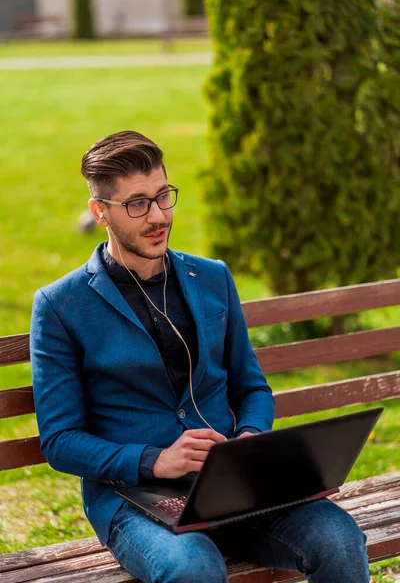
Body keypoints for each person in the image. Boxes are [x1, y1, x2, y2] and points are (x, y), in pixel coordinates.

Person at [31, 130, 369, 583]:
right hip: (133, 496)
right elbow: (60, 439)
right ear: (99, 212)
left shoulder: (212, 278)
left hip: (234, 485)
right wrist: (154, 460)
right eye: (137, 204)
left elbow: (251, 387)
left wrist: (250, 436)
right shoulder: (60, 305)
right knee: (194, 569)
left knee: (340, 538)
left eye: (163, 197)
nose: (158, 216)